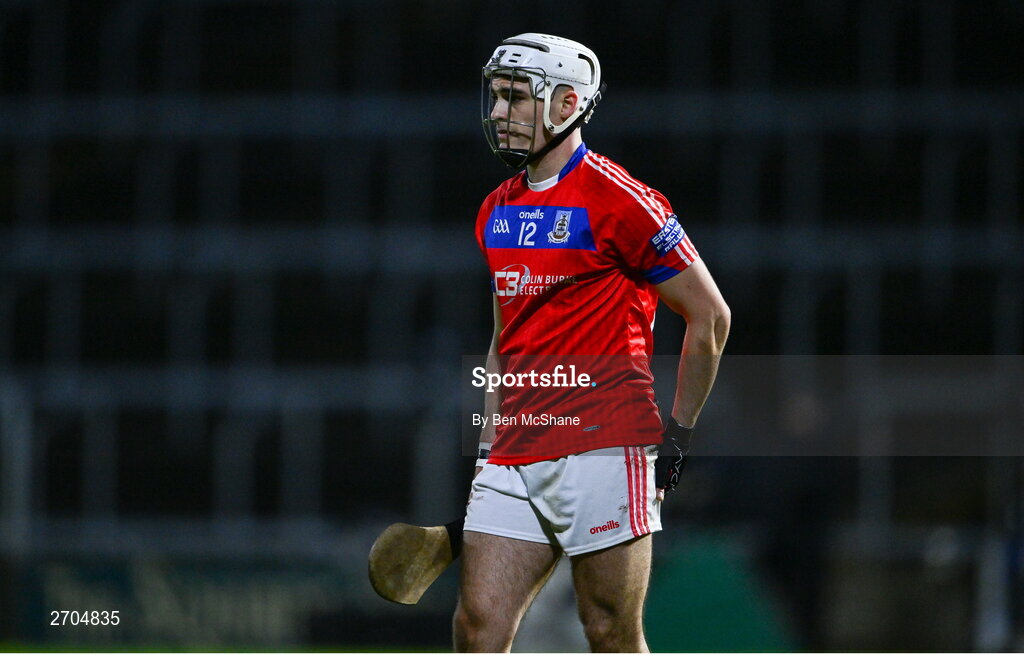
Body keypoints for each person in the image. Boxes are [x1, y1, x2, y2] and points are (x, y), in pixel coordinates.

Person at [455, 33, 731, 653]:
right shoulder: (495, 210)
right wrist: (486, 445)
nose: (499, 113)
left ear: (567, 103)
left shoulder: (623, 200)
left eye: (518, 98)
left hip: (605, 446)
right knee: (478, 629)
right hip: (514, 452)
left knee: (609, 631)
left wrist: (678, 437)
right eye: (496, 96)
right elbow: (505, 338)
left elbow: (710, 317)